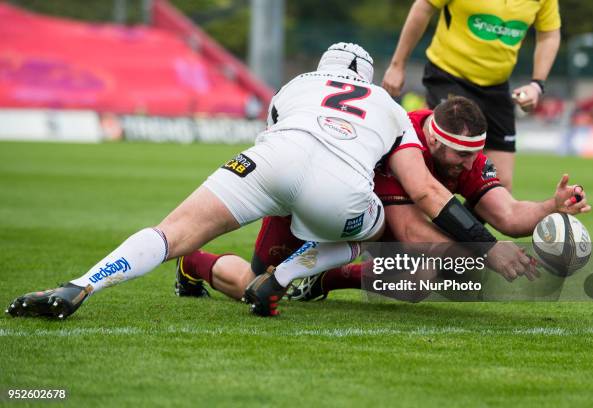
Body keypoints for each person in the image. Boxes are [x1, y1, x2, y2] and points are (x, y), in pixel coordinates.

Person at [6, 43, 531, 320]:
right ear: (364, 79)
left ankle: (82, 284)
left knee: (170, 231)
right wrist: (486, 249)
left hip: (268, 162)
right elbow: (424, 193)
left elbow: (279, 131)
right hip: (340, 192)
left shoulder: (295, 83)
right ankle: (283, 278)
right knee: (372, 230)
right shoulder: (388, 107)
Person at [174, 98, 588, 304]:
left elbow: (508, 214)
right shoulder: (400, 140)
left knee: (423, 278)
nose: (468, 165)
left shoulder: (466, 155)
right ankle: (193, 263)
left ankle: (324, 279)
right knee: (257, 287)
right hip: (311, 211)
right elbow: (410, 230)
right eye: (461, 155)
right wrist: (485, 252)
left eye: (473, 155)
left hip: (365, 221)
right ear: (432, 138)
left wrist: (552, 207)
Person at [381, 0, 561, 191]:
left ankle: (466, 222)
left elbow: (549, 34)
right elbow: (423, 7)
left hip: (496, 87)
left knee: (499, 183)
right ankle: (406, 215)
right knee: (441, 164)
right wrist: (397, 65)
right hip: (449, 75)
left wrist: (537, 85)